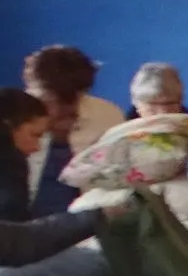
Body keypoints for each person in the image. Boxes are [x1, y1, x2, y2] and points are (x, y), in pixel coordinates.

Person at [23, 46, 125, 218]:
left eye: (65, 102)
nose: (54, 111)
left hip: (87, 228)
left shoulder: (108, 117)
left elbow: (120, 184)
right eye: (46, 99)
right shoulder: (10, 117)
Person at [0, 88, 49, 223]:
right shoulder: (11, 162)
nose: (37, 147)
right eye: (34, 135)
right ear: (8, 127)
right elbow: (15, 232)